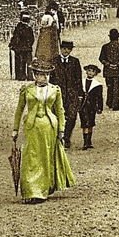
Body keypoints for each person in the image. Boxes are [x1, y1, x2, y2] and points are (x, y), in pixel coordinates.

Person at [12, 64, 76, 203]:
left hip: (49, 127)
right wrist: (15, 129)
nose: (44, 77)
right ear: (35, 75)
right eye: (41, 74)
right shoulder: (27, 90)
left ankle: (43, 190)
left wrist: (61, 130)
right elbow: (19, 110)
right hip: (32, 127)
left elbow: (60, 110)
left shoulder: (55, 90)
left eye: (46, 74)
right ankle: (30, 191)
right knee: (31, 158)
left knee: (45, 157)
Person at [51, 40, 85, 148]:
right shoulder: (53, 61)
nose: (66, 51)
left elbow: (78, 78)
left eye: (68, 49)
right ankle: (58, 137)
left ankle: (67, 137)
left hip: (72, 94)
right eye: (64, 49)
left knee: (72, 116)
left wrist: (80, 93)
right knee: (57, 116)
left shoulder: (75, 62)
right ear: (61, 49)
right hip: (58, 94)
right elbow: (51, 79)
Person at [99, 29, 119, 111]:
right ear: (118, 37)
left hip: (108, 70)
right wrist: (118, 64)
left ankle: (110, 101)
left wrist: (108, 64)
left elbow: (101, 58)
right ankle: (115, 103)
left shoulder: (105, 47)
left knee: (110, 86)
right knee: (117, 87)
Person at [78, 64, 104, 150]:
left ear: (95, 73)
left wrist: (100, 107)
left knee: (91, 123)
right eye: (89, 71)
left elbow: (99, 97)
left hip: (92, 106)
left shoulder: (97, 85)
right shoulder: (81, 82)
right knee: (85, 123)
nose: (90, 73)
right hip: (83, 105)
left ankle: (89, 141)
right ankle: (85, 142)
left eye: (92, 71)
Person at [9, 12, 35, 80]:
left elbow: (16, 38)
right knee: (28, 63)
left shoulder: (18, 28)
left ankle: (21, 76)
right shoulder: (29, 28)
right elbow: (32, 39)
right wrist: (29, 45)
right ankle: (29, 76)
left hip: (20, 48)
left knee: (20, 63)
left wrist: (12, 45)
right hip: (27, 48)